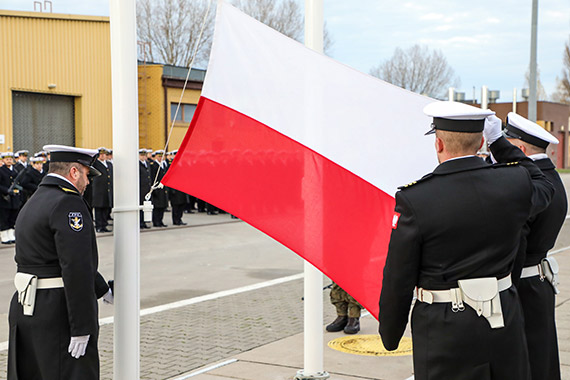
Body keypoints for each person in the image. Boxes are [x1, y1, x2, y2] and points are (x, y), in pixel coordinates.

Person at [378, 101, 554, 380]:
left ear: (438, 144)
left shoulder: (416, 199)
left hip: (444, 327)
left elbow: (399, 275)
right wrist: (500, 143)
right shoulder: (514, 183)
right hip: (503, 316)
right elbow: (544, 183)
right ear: (482, 140)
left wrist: (390, 333)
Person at [7, 144, 113, 380]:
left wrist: (102, 288)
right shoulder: (68, 203)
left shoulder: (36, 200)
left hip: (29, 307)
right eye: (87, 175)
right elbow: (75, 266)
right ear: (74, 172)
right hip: (59, 311)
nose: (87, 183)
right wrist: (82, 327)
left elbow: (52, 257)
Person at [504, 112, 567, 380]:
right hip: (538, 282)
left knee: (525, 364)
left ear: (519, 149)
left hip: (523, 286)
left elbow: (517, 241)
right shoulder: (551, 178)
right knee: (542, 358)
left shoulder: (528, 183)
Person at [0, 152, 23, 244]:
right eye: (7, 159)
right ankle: (4, 235)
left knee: (13, 216)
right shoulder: (1, 170)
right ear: (3, 160)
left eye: (10, 159)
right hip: (4, 197)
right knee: (4, 217)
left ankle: (10, 234)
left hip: (14, 197)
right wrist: (6, 190)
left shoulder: (16, 171)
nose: (9, 161)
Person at [92, 147, 113, 233]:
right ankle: (99, 226)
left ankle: (104, 225)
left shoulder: (109, 164)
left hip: (107, 189)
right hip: (99, 189)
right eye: (101, 154)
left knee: (106, 208)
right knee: (99, 209)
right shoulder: (95, 163)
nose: (103, 156)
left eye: (104, 154)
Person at [150, 150, 169, 227]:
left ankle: (160, 221)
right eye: (159, 156)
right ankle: (156, 221)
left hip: (163, 188)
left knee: (162, 206)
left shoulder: (163, 165)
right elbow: (152, 178)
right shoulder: (153, 166)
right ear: (156, 157)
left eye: (162, 156)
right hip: (157, 189)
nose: (161, 158)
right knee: (157, 207)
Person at [139, 148, 152, 229]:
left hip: (147, 188)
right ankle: (140, 222)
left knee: (145, 206)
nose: (143, 157)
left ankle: (144, 222)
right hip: (141, 189)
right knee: (140, 206)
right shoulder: (137, 164)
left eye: (144, 155)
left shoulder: (147, 163)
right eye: (141, 155)